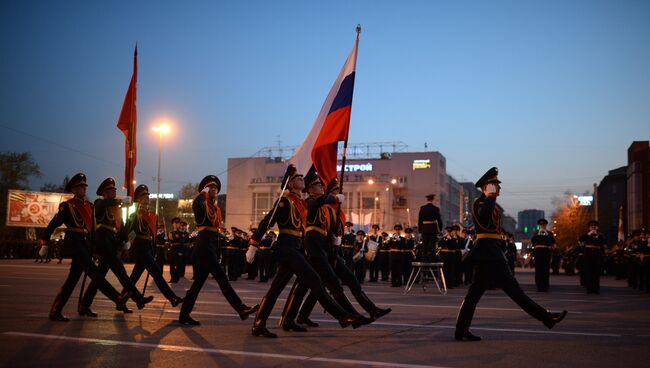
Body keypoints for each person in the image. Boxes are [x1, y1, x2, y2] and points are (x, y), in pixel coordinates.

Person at [246, 165, 372, 338]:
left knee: (275, 289)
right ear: (289, 184)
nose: (301, 179)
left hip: (296, 247)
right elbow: (266, 222)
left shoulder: (301, 202)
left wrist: (331, 200)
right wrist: (254, 244)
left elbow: (314, 203)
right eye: (297, 178)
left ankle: (261, 324)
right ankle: (343, 317)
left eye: (300, 177)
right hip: (286, 247)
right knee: (315, 280)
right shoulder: (284, 201)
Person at [455, 167, 567, 341]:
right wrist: (491, 197)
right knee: (513, 290)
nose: (499, 188)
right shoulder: (481, 203)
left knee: (475, 294)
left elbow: (495, 229)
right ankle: (546, 317)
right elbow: (484, 217)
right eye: (495, 185)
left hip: (491, 251)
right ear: (487, 187)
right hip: (488, 251)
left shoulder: (490, 204)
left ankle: (461, 330)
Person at [279, 172, 374, 332]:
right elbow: (320, 203)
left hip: (320, 249)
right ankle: (350, 316)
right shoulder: (310, 201)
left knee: (306, 286)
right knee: (327, 284)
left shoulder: (325, 209)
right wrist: (334, 198)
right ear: (310, 189)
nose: (321, 187)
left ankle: (291, 318)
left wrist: (335, 239)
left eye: (322, 185)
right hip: (310, 248)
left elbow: (328, 228)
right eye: (318, 185)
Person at [41, 173, 128, 321]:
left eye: (84, 186)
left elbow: (92, 229)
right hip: (74, 242)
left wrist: (94, 248)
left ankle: (59, 310)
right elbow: (54, 223)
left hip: (86, 243)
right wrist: (44, 242)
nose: (84, 189)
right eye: (80, 187)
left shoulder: (89, 206)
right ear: (74, 190)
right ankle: (117, 298)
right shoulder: (67, 205)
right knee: (94, 272)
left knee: (72, 280)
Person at [179, 175, 259, 325]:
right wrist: (203, 192)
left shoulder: (215, 209)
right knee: (222, 277)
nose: (214, 189)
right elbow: (197, 202)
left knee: (197, 285)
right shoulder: (201, 205)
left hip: (210, 247)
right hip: (203, 246)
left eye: (216, 188)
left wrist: (217, 252)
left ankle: (184, 314)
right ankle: (240, 308)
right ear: (205, 190)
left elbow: (216, 233)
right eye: (211, 187)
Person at [79, 177, 154, 317]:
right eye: (111, 191)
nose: (114, 193)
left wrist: (125, 242)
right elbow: (104, 208)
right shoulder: (100, 203)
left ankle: (85, 304)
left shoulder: (119, 210)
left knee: (99, 277)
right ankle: (137, 299)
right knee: (120, 271)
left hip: (114, 243)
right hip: (104, 241)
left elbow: (124, 229)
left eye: (114, 190)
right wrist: (121, 202)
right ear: (104, 193)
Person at [123, 185, 184, 311]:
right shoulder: (135, 215)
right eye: (144, 196)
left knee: (134, 277)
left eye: (147, 196)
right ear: (138, 199)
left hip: (148, 248)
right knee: (157, 273)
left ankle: (121, 299)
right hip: (140, 248)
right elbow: (130, 232)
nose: (147, 198)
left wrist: (153, 250)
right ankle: (172, 298)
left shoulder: (151, 215)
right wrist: (131, 244)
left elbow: (153, 235)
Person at [578, 220, 606, 294]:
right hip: (588, 255)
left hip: (597, 254)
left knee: (596, 272)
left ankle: (596, 288)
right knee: (589, 271)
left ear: (597, 227)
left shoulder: (600, 235)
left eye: (595, 226)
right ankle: (589, 288)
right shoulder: (586, 235)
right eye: (591, 226)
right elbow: (580, 239)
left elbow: (603, 242)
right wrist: (589, 234)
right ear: (589, 228)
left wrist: (596, 236)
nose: (593, 227)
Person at [531, 219, 555, 292]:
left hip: (546, 252)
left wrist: (546, 233)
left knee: (545, 269)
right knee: (538, 269)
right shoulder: (536, 233)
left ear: (545, 225)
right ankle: (539, 285)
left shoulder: (549, 233)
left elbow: (552, 241)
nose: (542, 226)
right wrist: (539, 233)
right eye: (541, 225)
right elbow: (533, 241)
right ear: (539, 225)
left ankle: (545, 286)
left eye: (544, 225)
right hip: (538, 252)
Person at [418, 194, 442, 261]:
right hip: (433, 229)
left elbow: (420, 220)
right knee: (432, 245)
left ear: (427, 200)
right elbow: (439, 220)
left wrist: (420, 230)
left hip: (425, 229)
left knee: (425, 244)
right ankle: (432, 258)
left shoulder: (422, 208)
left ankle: (424, 258)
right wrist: (440, 229)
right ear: (432, 200)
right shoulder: (436, 209)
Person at [168, 217, 185, 283]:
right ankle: (172, 277)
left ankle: (176, 278)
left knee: (178, 265)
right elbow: (170, 240)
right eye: (174, 223)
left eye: (177, 223)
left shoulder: (181, 232)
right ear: (173, 224)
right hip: (173, 249)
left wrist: (181, 251)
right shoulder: (171, 232)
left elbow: (182, 242)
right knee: (172, 265)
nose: (176, 224)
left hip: (178, 249)